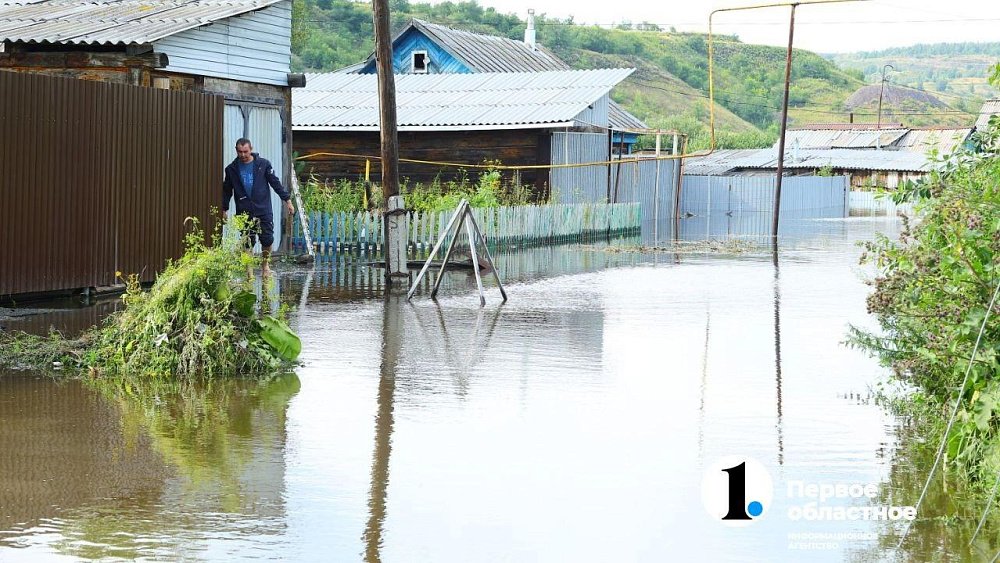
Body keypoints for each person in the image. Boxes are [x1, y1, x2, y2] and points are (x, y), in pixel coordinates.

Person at [222, 138, 294, 277]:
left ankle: (265, 266)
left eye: (245, 152)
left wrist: (287, 200)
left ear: (251, 149)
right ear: (236, 150)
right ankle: (249, 272)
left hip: (263, 209)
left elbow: (275, 183)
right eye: (240, 152)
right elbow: (227, 191)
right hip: (244, 210)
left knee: (267, 239)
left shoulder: (263, 164)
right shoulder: (231, 169)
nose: (243, 155)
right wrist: (224, 209)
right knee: (247, 241)